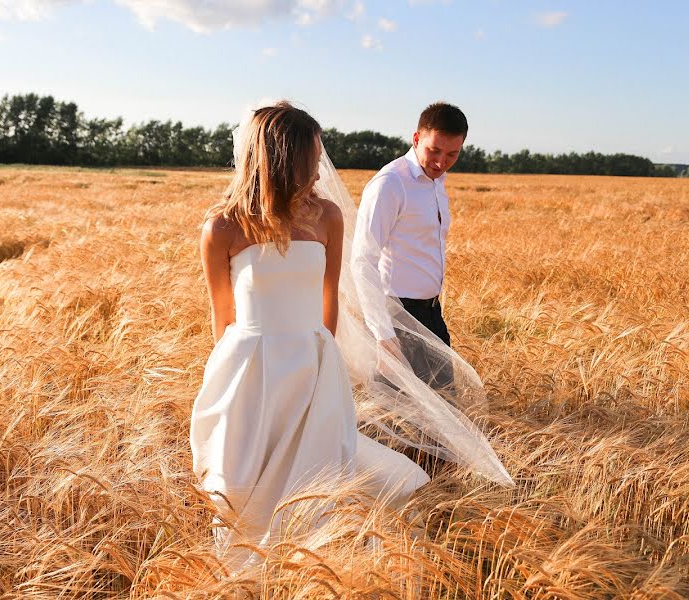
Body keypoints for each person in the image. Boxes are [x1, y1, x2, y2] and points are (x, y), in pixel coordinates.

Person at [191, 100, 513, 572]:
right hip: (248, 367)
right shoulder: (222, 227)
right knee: (243, 480)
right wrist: (230, 385)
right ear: (283, 157)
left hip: (312, 361)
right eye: (312, 156)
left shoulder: (326, 218)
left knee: (320, 471)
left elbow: (330, 304)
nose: (320, 168)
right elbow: (222, 316)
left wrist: (322, 365)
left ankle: (317, 567)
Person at [352, 101, 468, 402]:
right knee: (394, 418)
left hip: (431, 312)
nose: (442, 162)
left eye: (452, 154)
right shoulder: (390, 184)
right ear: (416, 139)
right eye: (434, 151)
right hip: (397, 315)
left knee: (443, 411)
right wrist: (383, 334)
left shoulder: (436, 183)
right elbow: (363, 260)